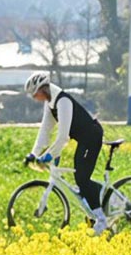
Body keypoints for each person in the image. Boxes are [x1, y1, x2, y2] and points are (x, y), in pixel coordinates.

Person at [24, 71, 109, 235]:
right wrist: (33, 153)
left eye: (35, 94)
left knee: (82, 179)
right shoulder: (50, 103)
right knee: (80, 180)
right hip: (83, 139)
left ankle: (101, 220)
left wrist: (49, 155)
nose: (34, 98)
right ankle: (100, 204)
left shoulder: (63, 101)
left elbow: (63, 136)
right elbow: (45, 130)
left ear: (43, 89)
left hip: (92, 136)